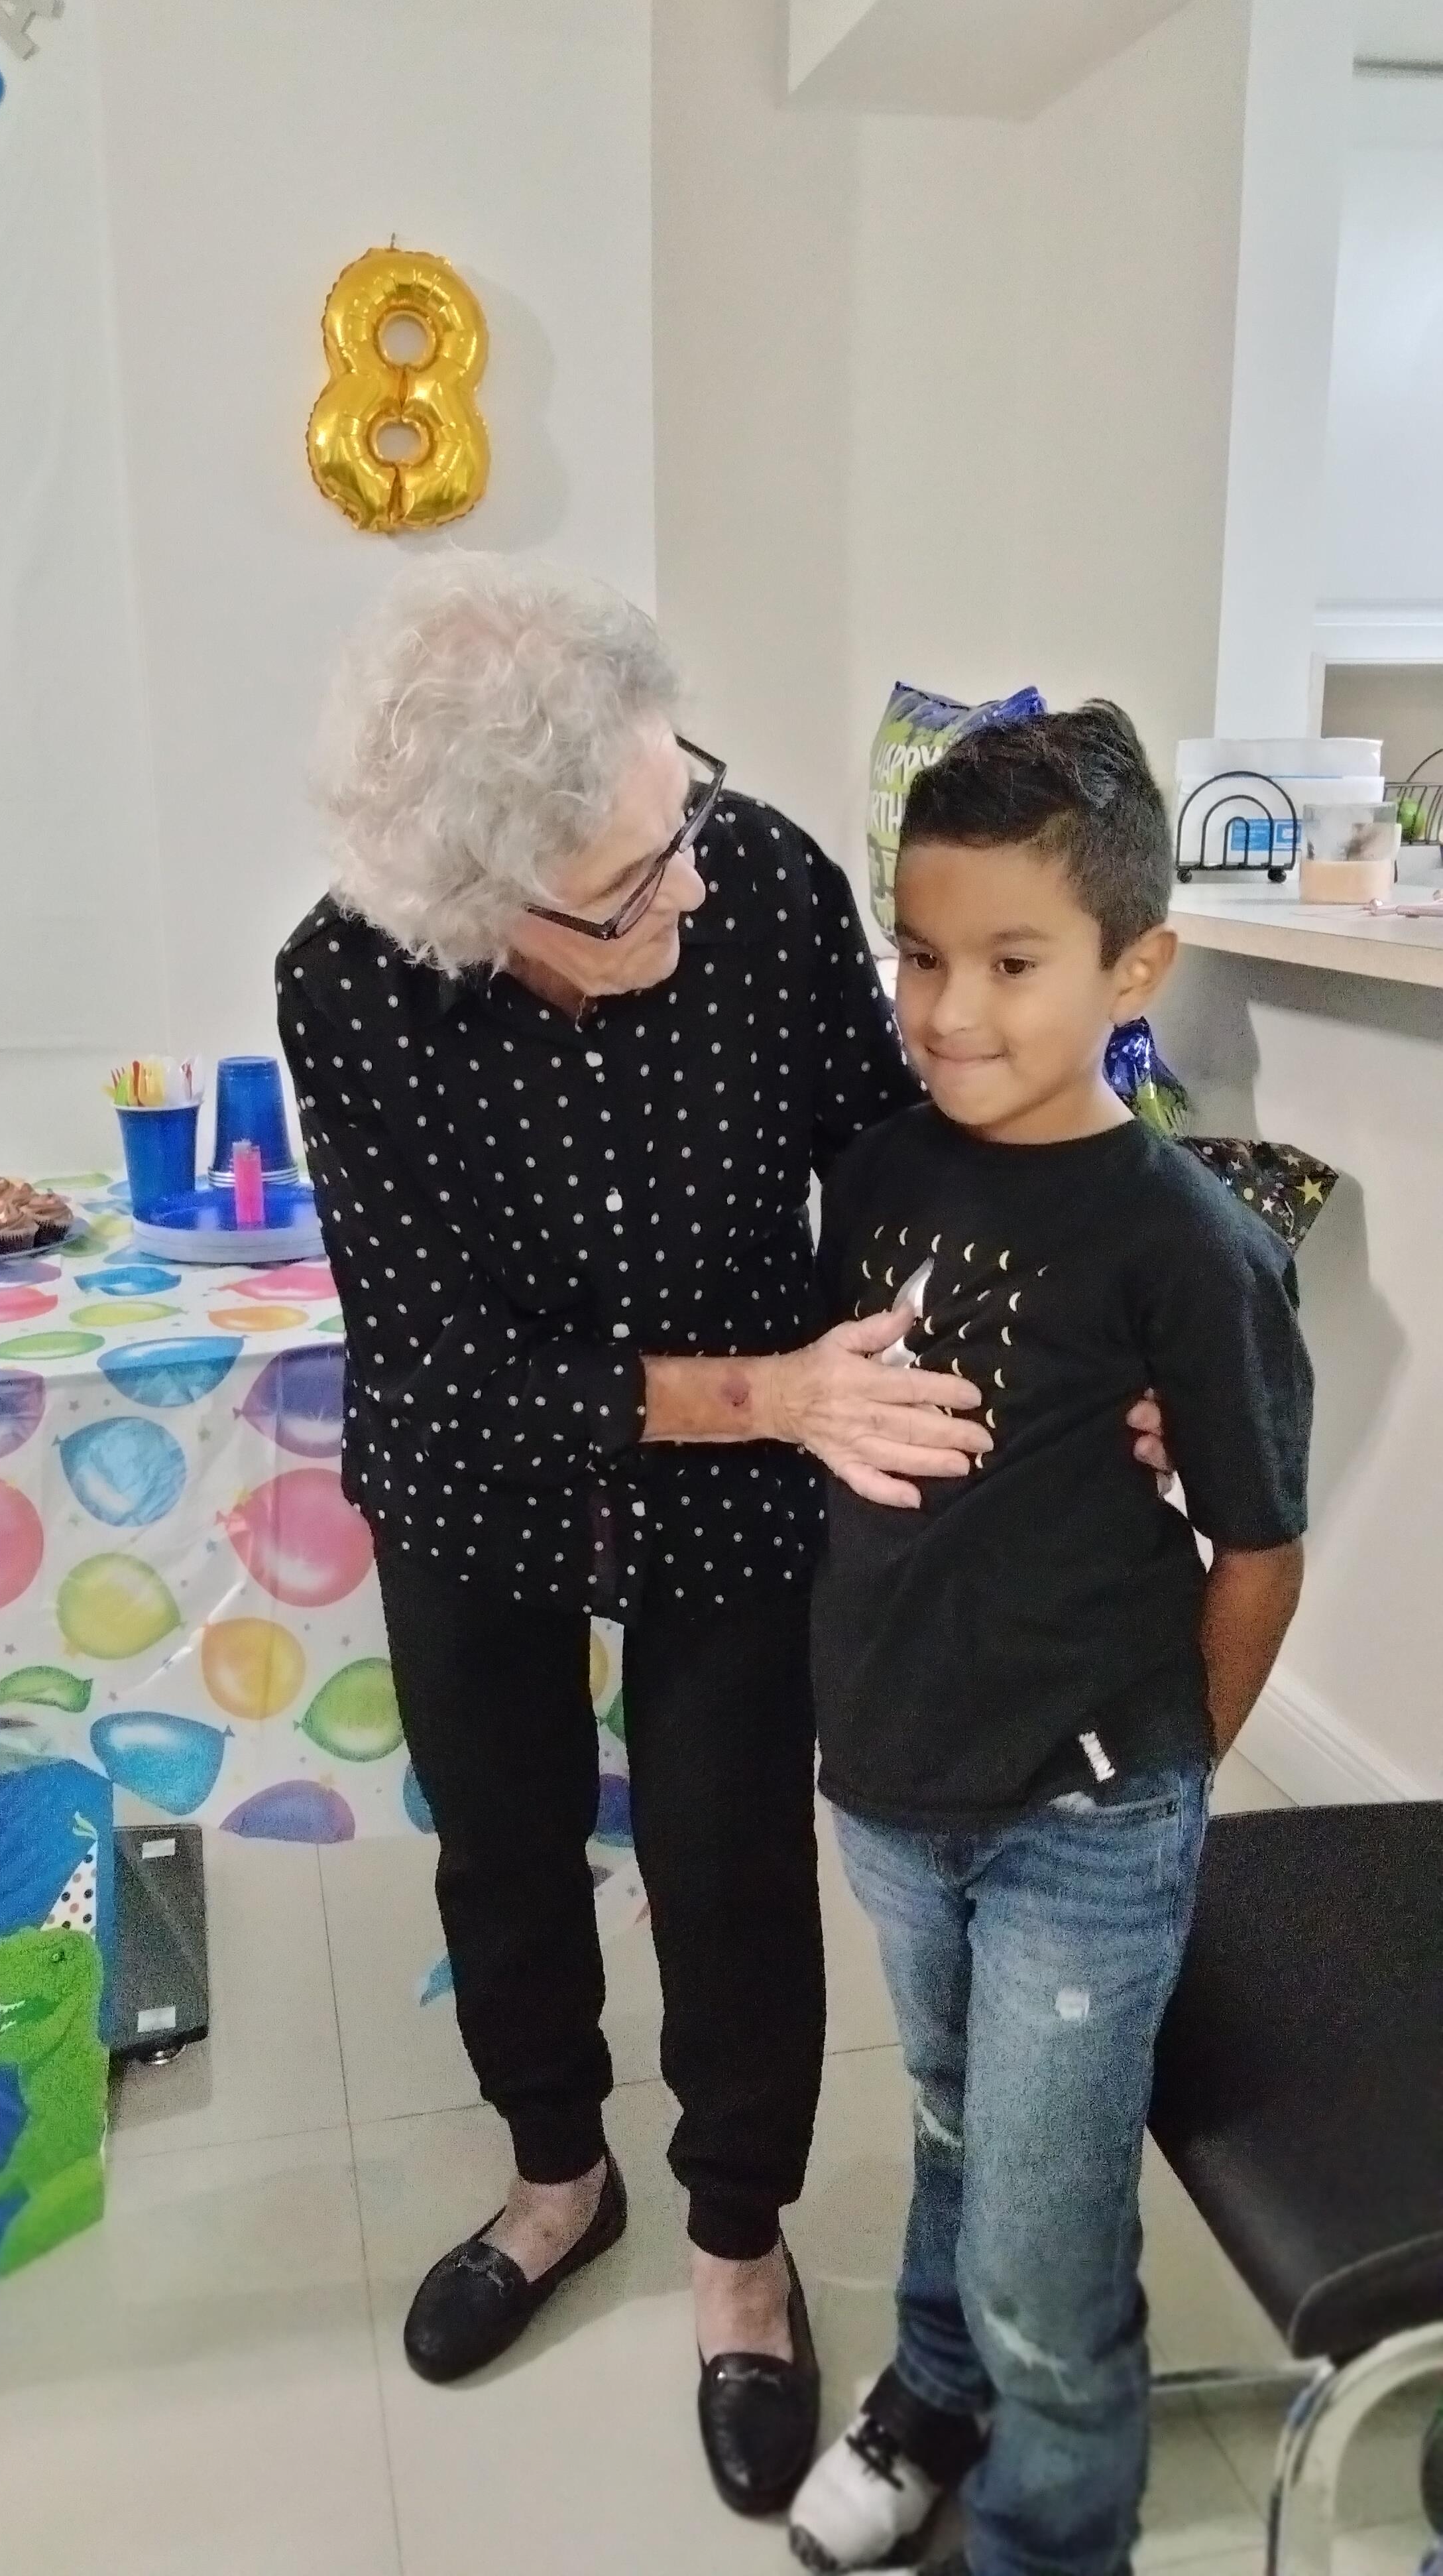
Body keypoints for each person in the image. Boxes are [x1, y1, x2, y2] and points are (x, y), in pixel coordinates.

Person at [277, 558, 1170, 2518]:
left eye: (677, 807)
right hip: (485, 1480)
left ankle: (738, 2250)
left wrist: (1091, 1321)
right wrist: (769, 1390)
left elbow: (891, 1145)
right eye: (627, 882)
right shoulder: (347, 982)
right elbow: (439, 1365)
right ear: (477, 912)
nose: (690, 878)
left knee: (730, 1858)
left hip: (739, 1490)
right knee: (504, 1841)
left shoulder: (744, 872)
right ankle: (555, 2180)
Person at [787, 705, 1313, 2576]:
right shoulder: (870, 1174)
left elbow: (1259, 1544)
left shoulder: (1189, 1241)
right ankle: (933, 2392)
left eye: (1012, 964)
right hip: (893, 1785)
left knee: (1045, 2243)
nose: (949, 1010)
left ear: (1133, 967)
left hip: (1087, 1816)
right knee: (952, 2126)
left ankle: (1051, 2529)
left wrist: (1167, 1761)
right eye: (921, 957)